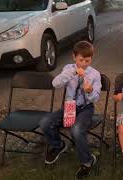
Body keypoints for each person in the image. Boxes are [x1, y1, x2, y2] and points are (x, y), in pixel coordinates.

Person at [39, 41, 101, 179]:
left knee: (77, 130)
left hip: (86, 108)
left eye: (87, 60)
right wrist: (73, 72)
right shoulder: (68, 68)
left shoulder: (95, 74)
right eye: (81, 60)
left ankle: (87, 161)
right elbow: (55, 83)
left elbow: (96, 98)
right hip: (69, 106)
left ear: (91, 59)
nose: (84, 63)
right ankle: (58, 145)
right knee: (45, 122)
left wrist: (90, 91)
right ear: (74, 57)